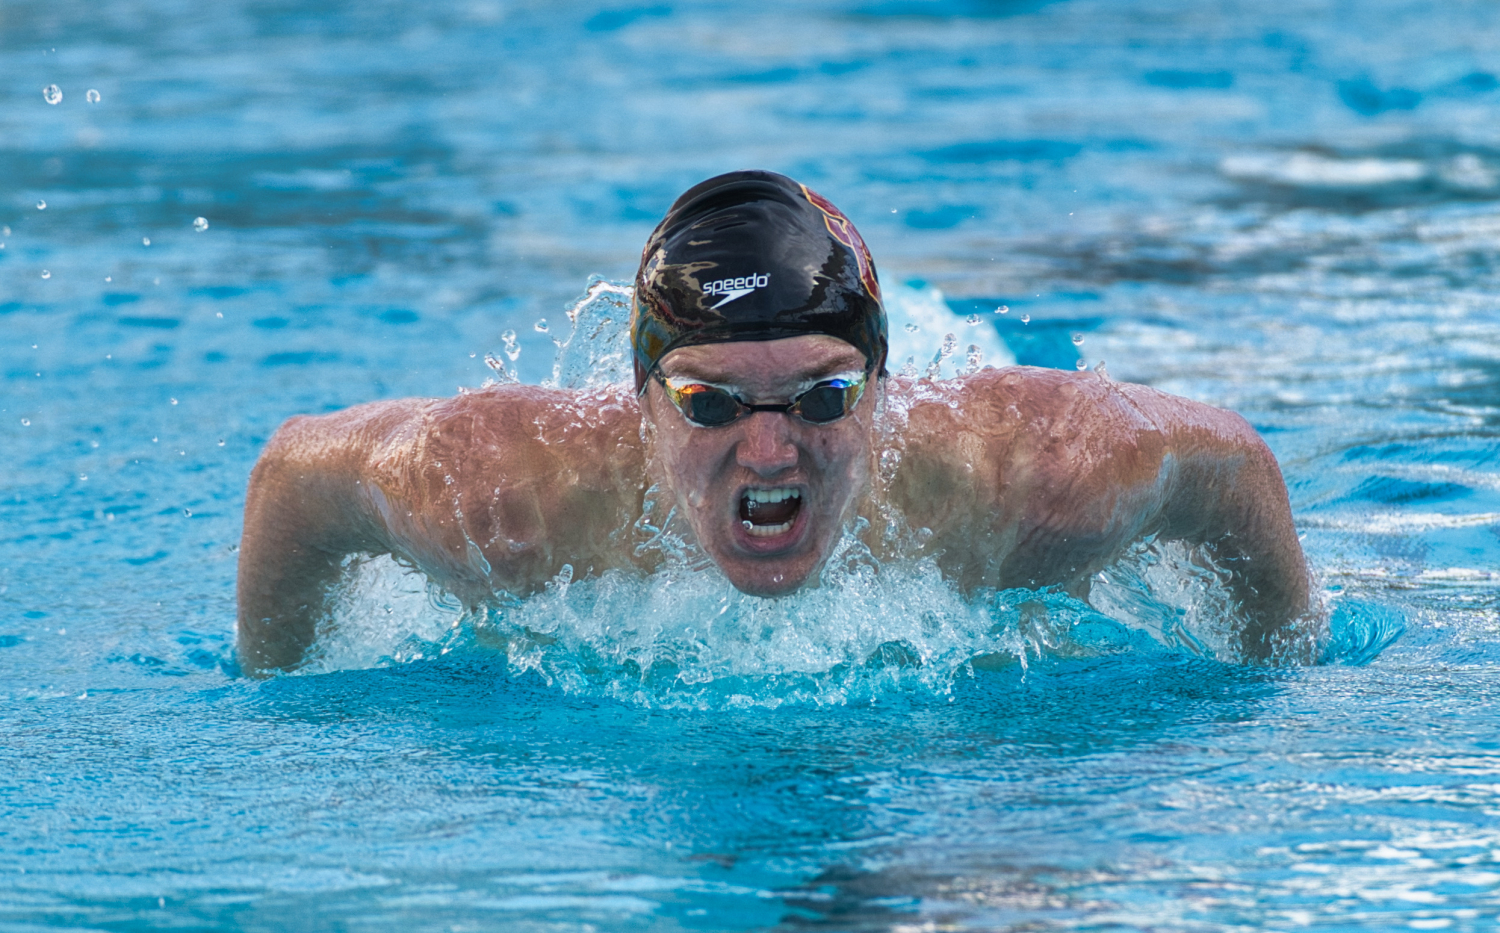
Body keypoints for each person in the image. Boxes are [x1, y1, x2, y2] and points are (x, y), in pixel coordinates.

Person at [237, 170, 1312, 673]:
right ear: (640, 402)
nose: (768, 449)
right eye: (708, 403)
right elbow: (292, 474)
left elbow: (1240, 470)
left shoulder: (1044, 475)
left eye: (823, 397)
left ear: (887, 391)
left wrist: (1280, 675)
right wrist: (276, 694)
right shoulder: (501, 494)